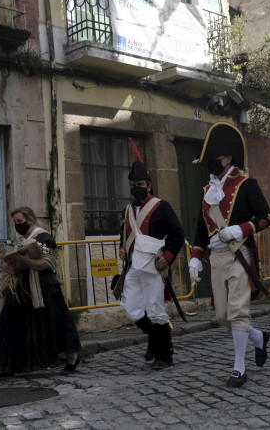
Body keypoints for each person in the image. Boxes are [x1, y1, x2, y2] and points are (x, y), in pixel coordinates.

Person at [188, 122, 270, 388]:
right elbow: (202, 227)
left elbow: (266, 217)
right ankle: (258, 338)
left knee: (238, 312)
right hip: (215, 257)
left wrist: (240, 229)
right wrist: (195, 256)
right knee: (223, 315)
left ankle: (239, 367)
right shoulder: (207, 191)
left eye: (213, 159)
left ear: (227, 158)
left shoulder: (246, 184)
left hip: (240, 253)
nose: (210, 164)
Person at [0, 207, 82, 377]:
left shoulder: (44, 237)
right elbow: (11, 261)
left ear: (30, 219)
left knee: (55, 325)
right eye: (15, 223)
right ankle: (5, 365)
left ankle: (72, 358)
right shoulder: (21, 239)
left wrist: (25, 260)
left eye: (20, 221)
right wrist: (9, 264)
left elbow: (47, 264)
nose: (17, 225)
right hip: (21, 289)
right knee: (8, 326)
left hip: (43, 288)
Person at [118, 140, 185, 370]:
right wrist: (121, 247)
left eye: (140, 184)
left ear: (148, 185)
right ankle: (155, 340)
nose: (137, 187)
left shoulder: (161, 206)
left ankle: (164, 355)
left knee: (156, 309)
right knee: (131, 308)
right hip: (134, 267)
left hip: (154, 266)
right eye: (133, 184)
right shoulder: (127, 209)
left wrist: (168, 257)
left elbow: (177, 234)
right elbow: (125, 232)